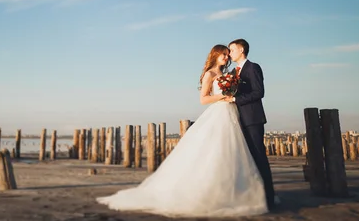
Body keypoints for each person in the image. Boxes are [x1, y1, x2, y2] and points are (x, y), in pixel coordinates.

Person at [96, 44, 268, 218]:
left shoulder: (228, 75)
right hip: (219, 112)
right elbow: (203, 99)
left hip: (232, 113)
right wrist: (223, 96)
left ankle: (236, 192)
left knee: (233, 153)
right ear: (215, 55)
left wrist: (231, 95)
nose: (226, 57)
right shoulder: (210, 74)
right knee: (215, 151)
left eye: (227, 54)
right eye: (223, 54)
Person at [227, 38, 276, 209]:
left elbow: (259, 92)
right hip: (238, 120)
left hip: (253, 119)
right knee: (245, 159)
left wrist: (235, 98)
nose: (229, 53)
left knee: (259, 156)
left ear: (241, 50)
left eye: (231, 50)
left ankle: (269, 198)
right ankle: (252, 196)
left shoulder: (253, 67)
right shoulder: (233, 72)